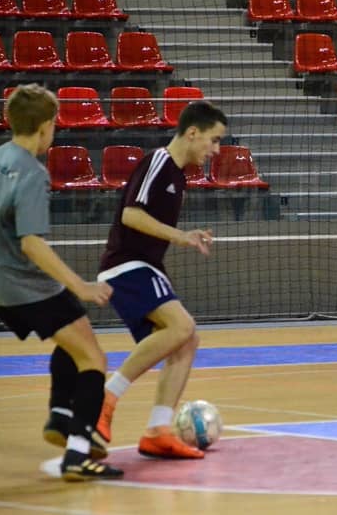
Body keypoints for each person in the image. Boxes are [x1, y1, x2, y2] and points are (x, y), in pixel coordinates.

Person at [0, 84, 123, 481]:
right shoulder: (33, 172)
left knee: (75, 332)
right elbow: (31, 244)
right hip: (21, 283)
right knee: (94, 360)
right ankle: (78, 455)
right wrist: (82, 284)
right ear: (46, 126)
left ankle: (61, 415)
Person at [95, 101, 226, 458]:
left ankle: (158, 430)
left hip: (146, 267)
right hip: (126, 265)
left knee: (186, 341)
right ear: (193, 132)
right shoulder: (158, 161)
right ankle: (106, 397)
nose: (216, 150)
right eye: (214, 140)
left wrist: (184, 235)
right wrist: (181, 236)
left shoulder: (179, 177)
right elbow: (131, 215)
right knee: (183, 326)